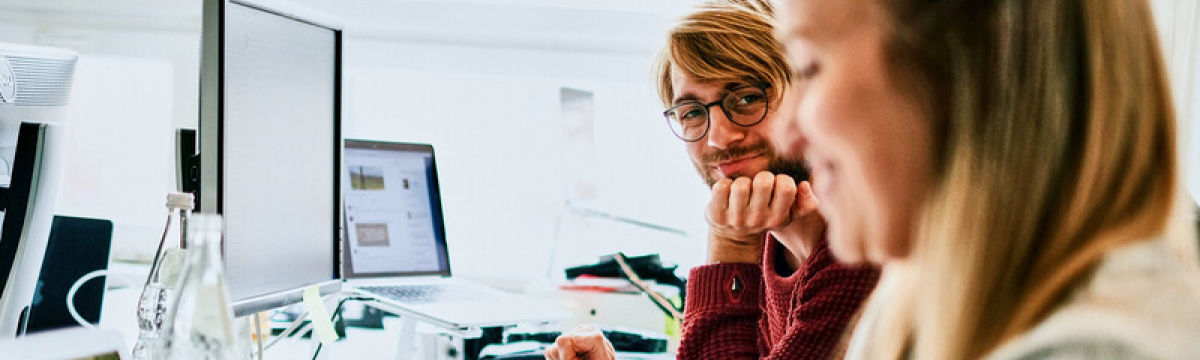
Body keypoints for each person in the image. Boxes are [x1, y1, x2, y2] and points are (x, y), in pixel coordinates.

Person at [770, 0, 1200, 359]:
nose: (786, 136)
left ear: (965, 69)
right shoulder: (915, 296)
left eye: (809, 67)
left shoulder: (1093, 348)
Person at [545, 1, 879, 359]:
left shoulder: (857, 252)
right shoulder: (768, 238)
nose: (719, 137)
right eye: (691, 112)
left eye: (747, 98)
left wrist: (729, 248)